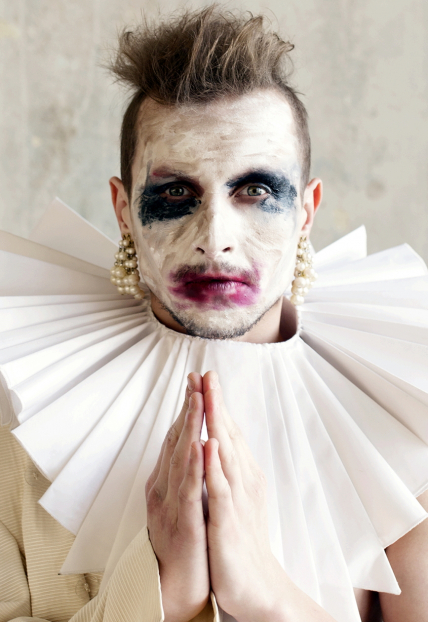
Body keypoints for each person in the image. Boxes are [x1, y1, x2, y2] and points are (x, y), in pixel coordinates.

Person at [1, 6, 428, 622]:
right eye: (176, 193)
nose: (215, 240)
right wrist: (163, 592)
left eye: (256, 191)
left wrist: (268, 597)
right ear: (124, 211)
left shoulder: (406, 415)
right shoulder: (22, 398)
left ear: (305, 213)